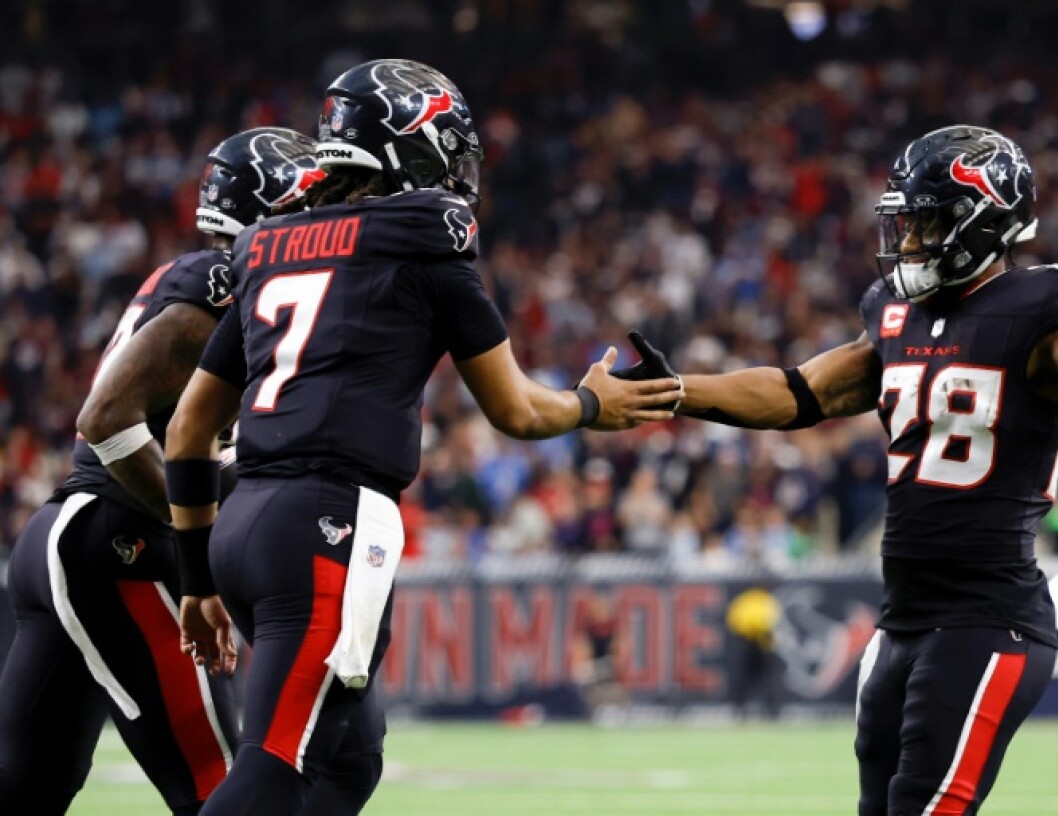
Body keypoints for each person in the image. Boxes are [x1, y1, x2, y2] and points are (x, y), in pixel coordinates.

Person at [618, 125, 1058, 815]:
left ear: (982, 222)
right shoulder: (896, 315)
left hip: (987, 620)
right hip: (901, 624)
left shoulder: (1040, 309)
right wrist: (678, 390)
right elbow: (799, 392)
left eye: (927, 221)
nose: (909, 239)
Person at [162, 58, 683, 814]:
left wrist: (196, 578)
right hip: (327, 520)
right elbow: (519, 413)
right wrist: (591, 404)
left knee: (350, 753)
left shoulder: (266, 245)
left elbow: (187, 432)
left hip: (239, 523)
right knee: (275, 765)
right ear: (411, 145)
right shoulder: (425, 237)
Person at [0, 127, 323, 815]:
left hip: (72, 537)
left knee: (27, 789)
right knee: (221, 786)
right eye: (313, 206)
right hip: (119, 546)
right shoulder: (223, 281)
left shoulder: (202, 276)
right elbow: (106, 417)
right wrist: (194, 546)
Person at [725, 583, 781, 720]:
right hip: (759, 643)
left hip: (750, 643)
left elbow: (734, 622)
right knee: (761, 678)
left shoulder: (746, 600)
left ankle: (743, 709)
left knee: (749, 679)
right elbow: (773, 621)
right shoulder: (765, 600)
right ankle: (768, 710)